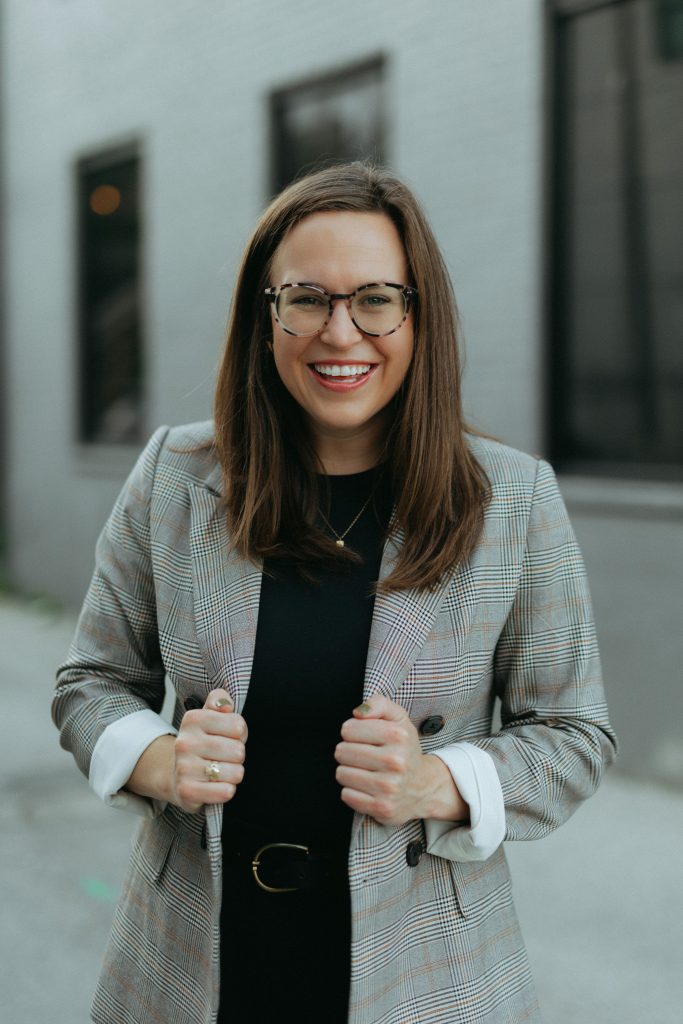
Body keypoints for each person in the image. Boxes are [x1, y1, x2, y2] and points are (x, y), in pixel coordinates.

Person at [53, 162, 617, 1024]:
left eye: (376, 299)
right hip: (195, 956)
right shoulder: (175, 475)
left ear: (417, 316)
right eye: (306, 298)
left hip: (424, 966)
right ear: (266, 317)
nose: (340, 333)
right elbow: (90, 681)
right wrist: (158, 760)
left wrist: (439, 783)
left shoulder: (511, 498)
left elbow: (574, 736)